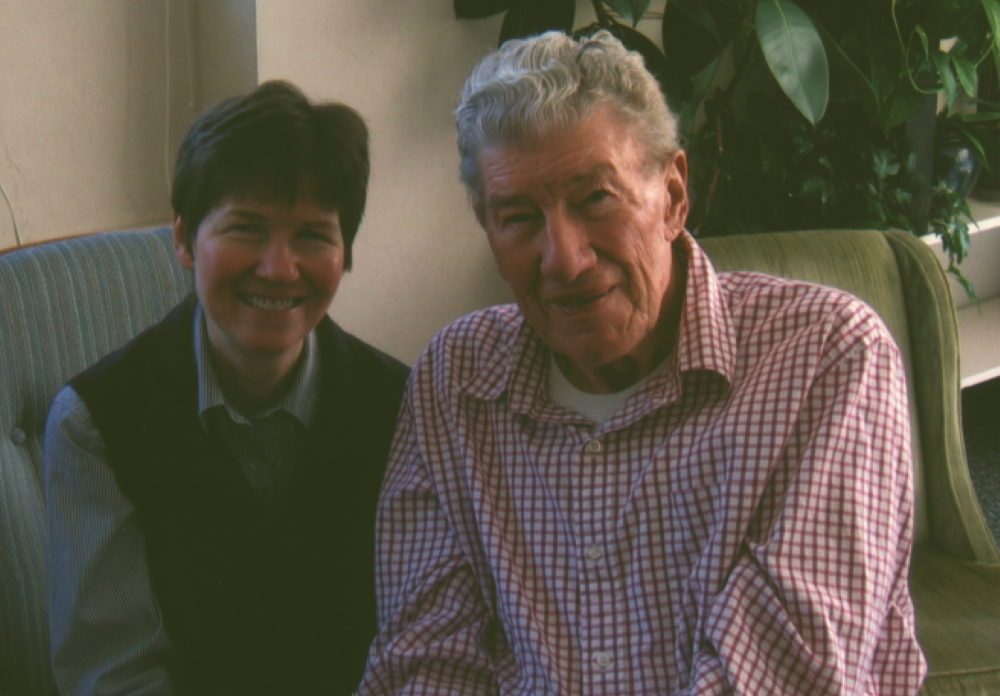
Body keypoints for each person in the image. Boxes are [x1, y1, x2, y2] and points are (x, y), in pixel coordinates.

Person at [360, 31, 926, 695]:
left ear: (675, 196)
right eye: (518, 217)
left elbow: (787, 680)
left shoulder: (826, 359)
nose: (564, 260)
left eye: (595, 197)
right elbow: (428, 662)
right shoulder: (455, 380)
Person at [44, 80, 409, 696]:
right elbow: (115, 676)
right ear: (184, 239)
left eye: (313, 236)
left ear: (345, 253)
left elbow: (420, 645)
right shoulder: (95, 424)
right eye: (246, 228)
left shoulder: (404, 408)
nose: (279, 268)